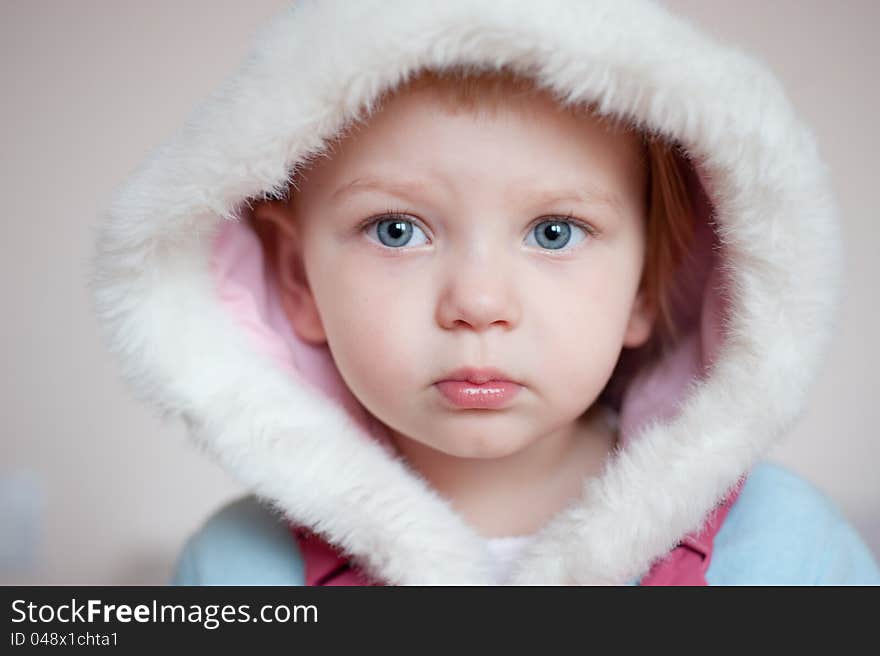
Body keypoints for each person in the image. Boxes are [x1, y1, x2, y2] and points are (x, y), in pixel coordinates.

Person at [90, 0, 879, 585]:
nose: (477, 302)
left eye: (554, 232)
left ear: (648, 284)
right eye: (397, 230)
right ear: (298, 280)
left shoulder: (784, 553)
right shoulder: (238, 573)